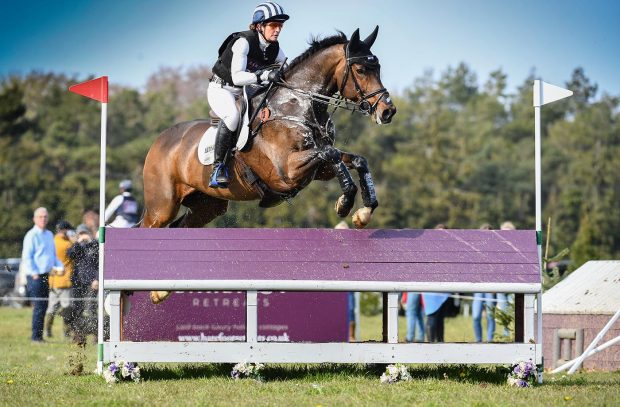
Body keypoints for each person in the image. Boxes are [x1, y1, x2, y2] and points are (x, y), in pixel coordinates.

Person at [207, 2, 289, 188]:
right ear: (259, 26)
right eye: (273, 25)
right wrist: (265, 75)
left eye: (280, 26)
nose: (277, 30)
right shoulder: (243, 42)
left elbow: (286, 71)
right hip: (221, 89)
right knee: (232, 116)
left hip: (245, 91)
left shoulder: (275, 49)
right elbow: (237, 77)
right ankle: (218, 167)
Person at [21, 207, 64, 342]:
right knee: (39, 306)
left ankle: (38, 336)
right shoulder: (31, 235)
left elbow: (53, 256)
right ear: (34, 219)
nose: (43, 219)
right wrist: (34, 273)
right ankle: (36, 337)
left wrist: (60, 266)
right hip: (35, 276)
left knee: (44, 306)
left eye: (45, 216)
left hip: (47, 275)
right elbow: (27, 257)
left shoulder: (49, 235)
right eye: (40, 217)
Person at [67, 224, 99, 344]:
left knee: (91, 310)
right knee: (77, 310)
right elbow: (70, 255)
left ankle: (97, 336)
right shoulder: (76, 247)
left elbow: (100, 263)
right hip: (77, 283)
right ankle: (79, 337)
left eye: (84, 233)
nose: (83, 236)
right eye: (80, 233)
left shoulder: (95, 245)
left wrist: (97, 279)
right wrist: (77, 242)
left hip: (92, 283)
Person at [45, 220, 76, 339]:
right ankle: (66, 332)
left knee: (51, 308)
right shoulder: (68, 244)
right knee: (67, 307)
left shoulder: (51, 241)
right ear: (65, 230)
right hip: (65, 280)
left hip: (53, 280)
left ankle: (47, 330)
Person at [472, 223, 496, 342]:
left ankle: (490, 340)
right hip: (478, 288)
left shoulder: (495, 252)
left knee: (491, 316)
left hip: (490, 287)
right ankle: (478, 341)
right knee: (476, 316)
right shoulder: (475, 250)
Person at [334, 221, 357, 341]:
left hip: (348, 285)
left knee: (351, 309)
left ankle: (351, 337)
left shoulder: (351, 249)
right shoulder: (331, 249)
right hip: (334, 285)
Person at [496, 221, 516, 337]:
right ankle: (506, 337)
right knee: (504, 315)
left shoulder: (515, 249)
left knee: (514, 314)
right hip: (501, 287)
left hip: (513, 287)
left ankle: (515, 337)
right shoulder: (497, 248)